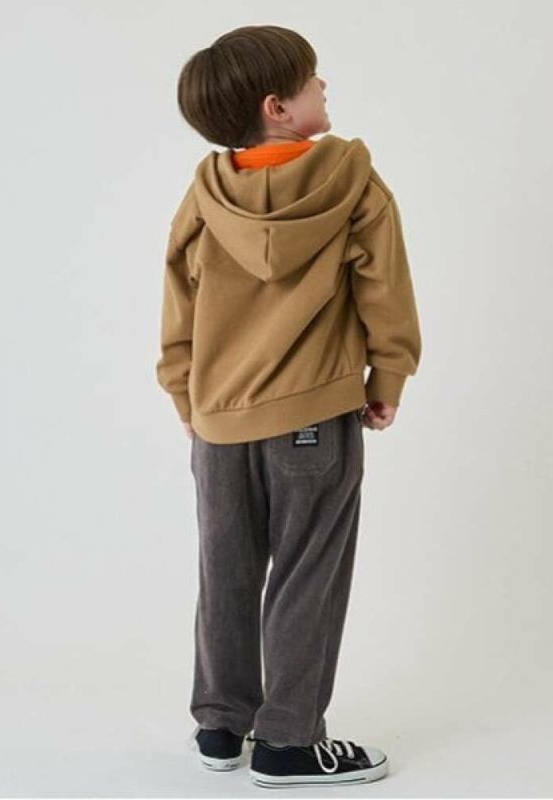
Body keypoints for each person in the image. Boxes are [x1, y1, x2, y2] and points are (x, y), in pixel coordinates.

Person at [155, 24, 422, 788]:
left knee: (226, 569)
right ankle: (289, 743)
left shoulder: (205, 195)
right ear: (278, 108)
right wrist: (388, 377)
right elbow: (385, 288)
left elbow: (179, 298)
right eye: (311, 80)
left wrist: (184, 389)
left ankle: (221, 726)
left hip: (219, 420)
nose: (324, 86)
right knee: (308, 574)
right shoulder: (353, 183)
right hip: (314, 417)